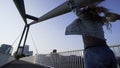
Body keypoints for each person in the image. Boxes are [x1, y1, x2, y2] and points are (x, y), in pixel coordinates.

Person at [66, 1, 120, 68]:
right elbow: (113, 18)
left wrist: (71, 2)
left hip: (93, 52)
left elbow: (76, 9)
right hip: (107, 51)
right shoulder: (99, 21)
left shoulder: (85, 17)